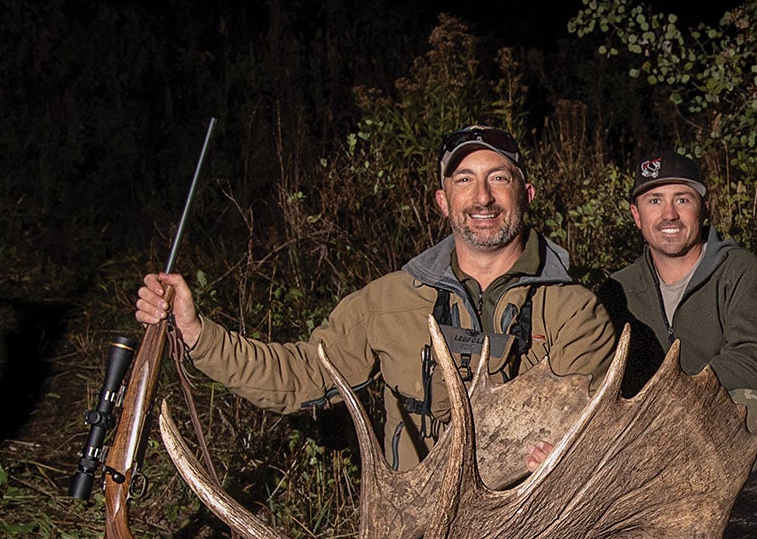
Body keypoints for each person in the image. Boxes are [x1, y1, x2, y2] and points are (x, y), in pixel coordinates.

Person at [135, 125, 617, 475]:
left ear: (525, 193)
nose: (483, 198)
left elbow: (588, 432)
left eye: (499, 178)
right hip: (418, 534)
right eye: (464, 180)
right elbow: (302, 374)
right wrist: (198, 334)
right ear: (442, 201)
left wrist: (565, 455)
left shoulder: (574, 311)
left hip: (528, 527)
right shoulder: (389, 301)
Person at [600, 150, 757, 470]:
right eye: (655, 201)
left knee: (748, 411)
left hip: (721, 409)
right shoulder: (617, 290)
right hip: (647, 425)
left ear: (702, 209)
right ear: (636, 215)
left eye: (683, 200)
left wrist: (675, 391)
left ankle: (755, 516)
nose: (669, 214)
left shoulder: (736, 270)